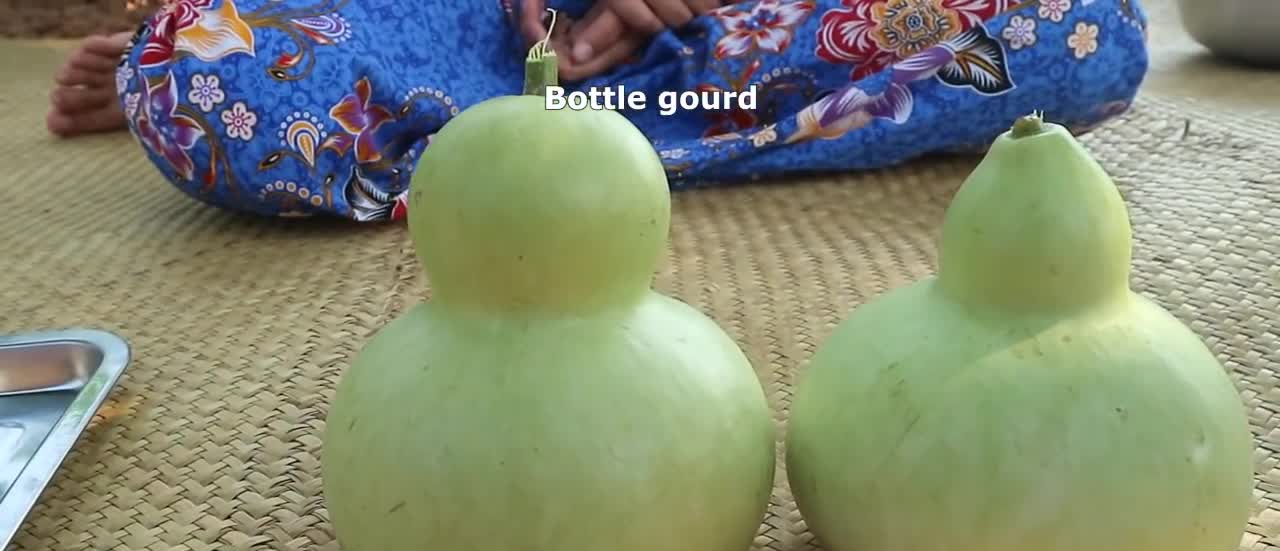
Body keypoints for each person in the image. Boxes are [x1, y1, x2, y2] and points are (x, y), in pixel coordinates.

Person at [48, 0, 1150, 222]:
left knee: (1075, 19)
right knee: (212, 64)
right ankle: (481, 119)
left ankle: (520, 138)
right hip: (469, 25)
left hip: (723, 42)